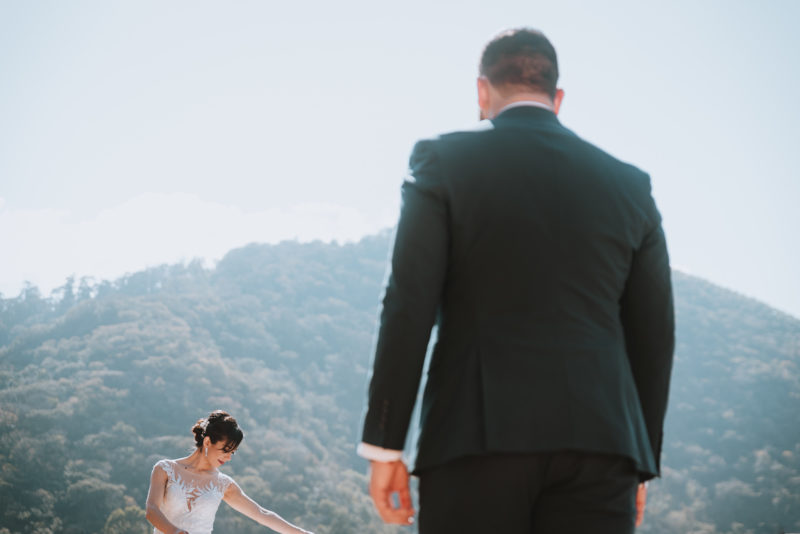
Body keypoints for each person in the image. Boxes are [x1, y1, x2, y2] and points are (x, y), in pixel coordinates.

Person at [358, 28, 674, 534]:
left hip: (473, 438)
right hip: (603, 446)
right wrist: (641, 462)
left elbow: (407, 305)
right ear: (559, 97)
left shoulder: (443, 161)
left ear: (482, 92)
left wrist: (384, 444)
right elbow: (654, 336)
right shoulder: (631, 186)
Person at [145, 410, 313, 534]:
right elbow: (152, 510)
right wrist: (175, 532)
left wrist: (302, 533)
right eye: (225, 450)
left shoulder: (223, 484)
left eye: (232, 452)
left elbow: (262, 514)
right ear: (208, 441)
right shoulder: (165, 469)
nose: (228, 457)